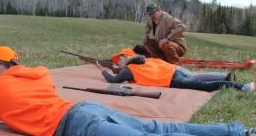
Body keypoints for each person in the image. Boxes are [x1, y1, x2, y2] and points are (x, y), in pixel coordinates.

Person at [0, 46, 256, 136]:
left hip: (77, 125)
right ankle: (237, 132)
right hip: (87, 109)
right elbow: (24, 97)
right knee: (159, 127)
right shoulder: (36, 75)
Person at [95, 48, 255, 92]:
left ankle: (243, 87)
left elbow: (113, 82)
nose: (118, 62)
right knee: (199, 79)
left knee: (204, 86)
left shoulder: (128, 70)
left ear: (126, 57)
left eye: (119, 59)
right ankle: (228, 79)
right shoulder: (142, 60)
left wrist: (102, 70)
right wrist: (117, 69)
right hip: (175, 71)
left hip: (172, 80)